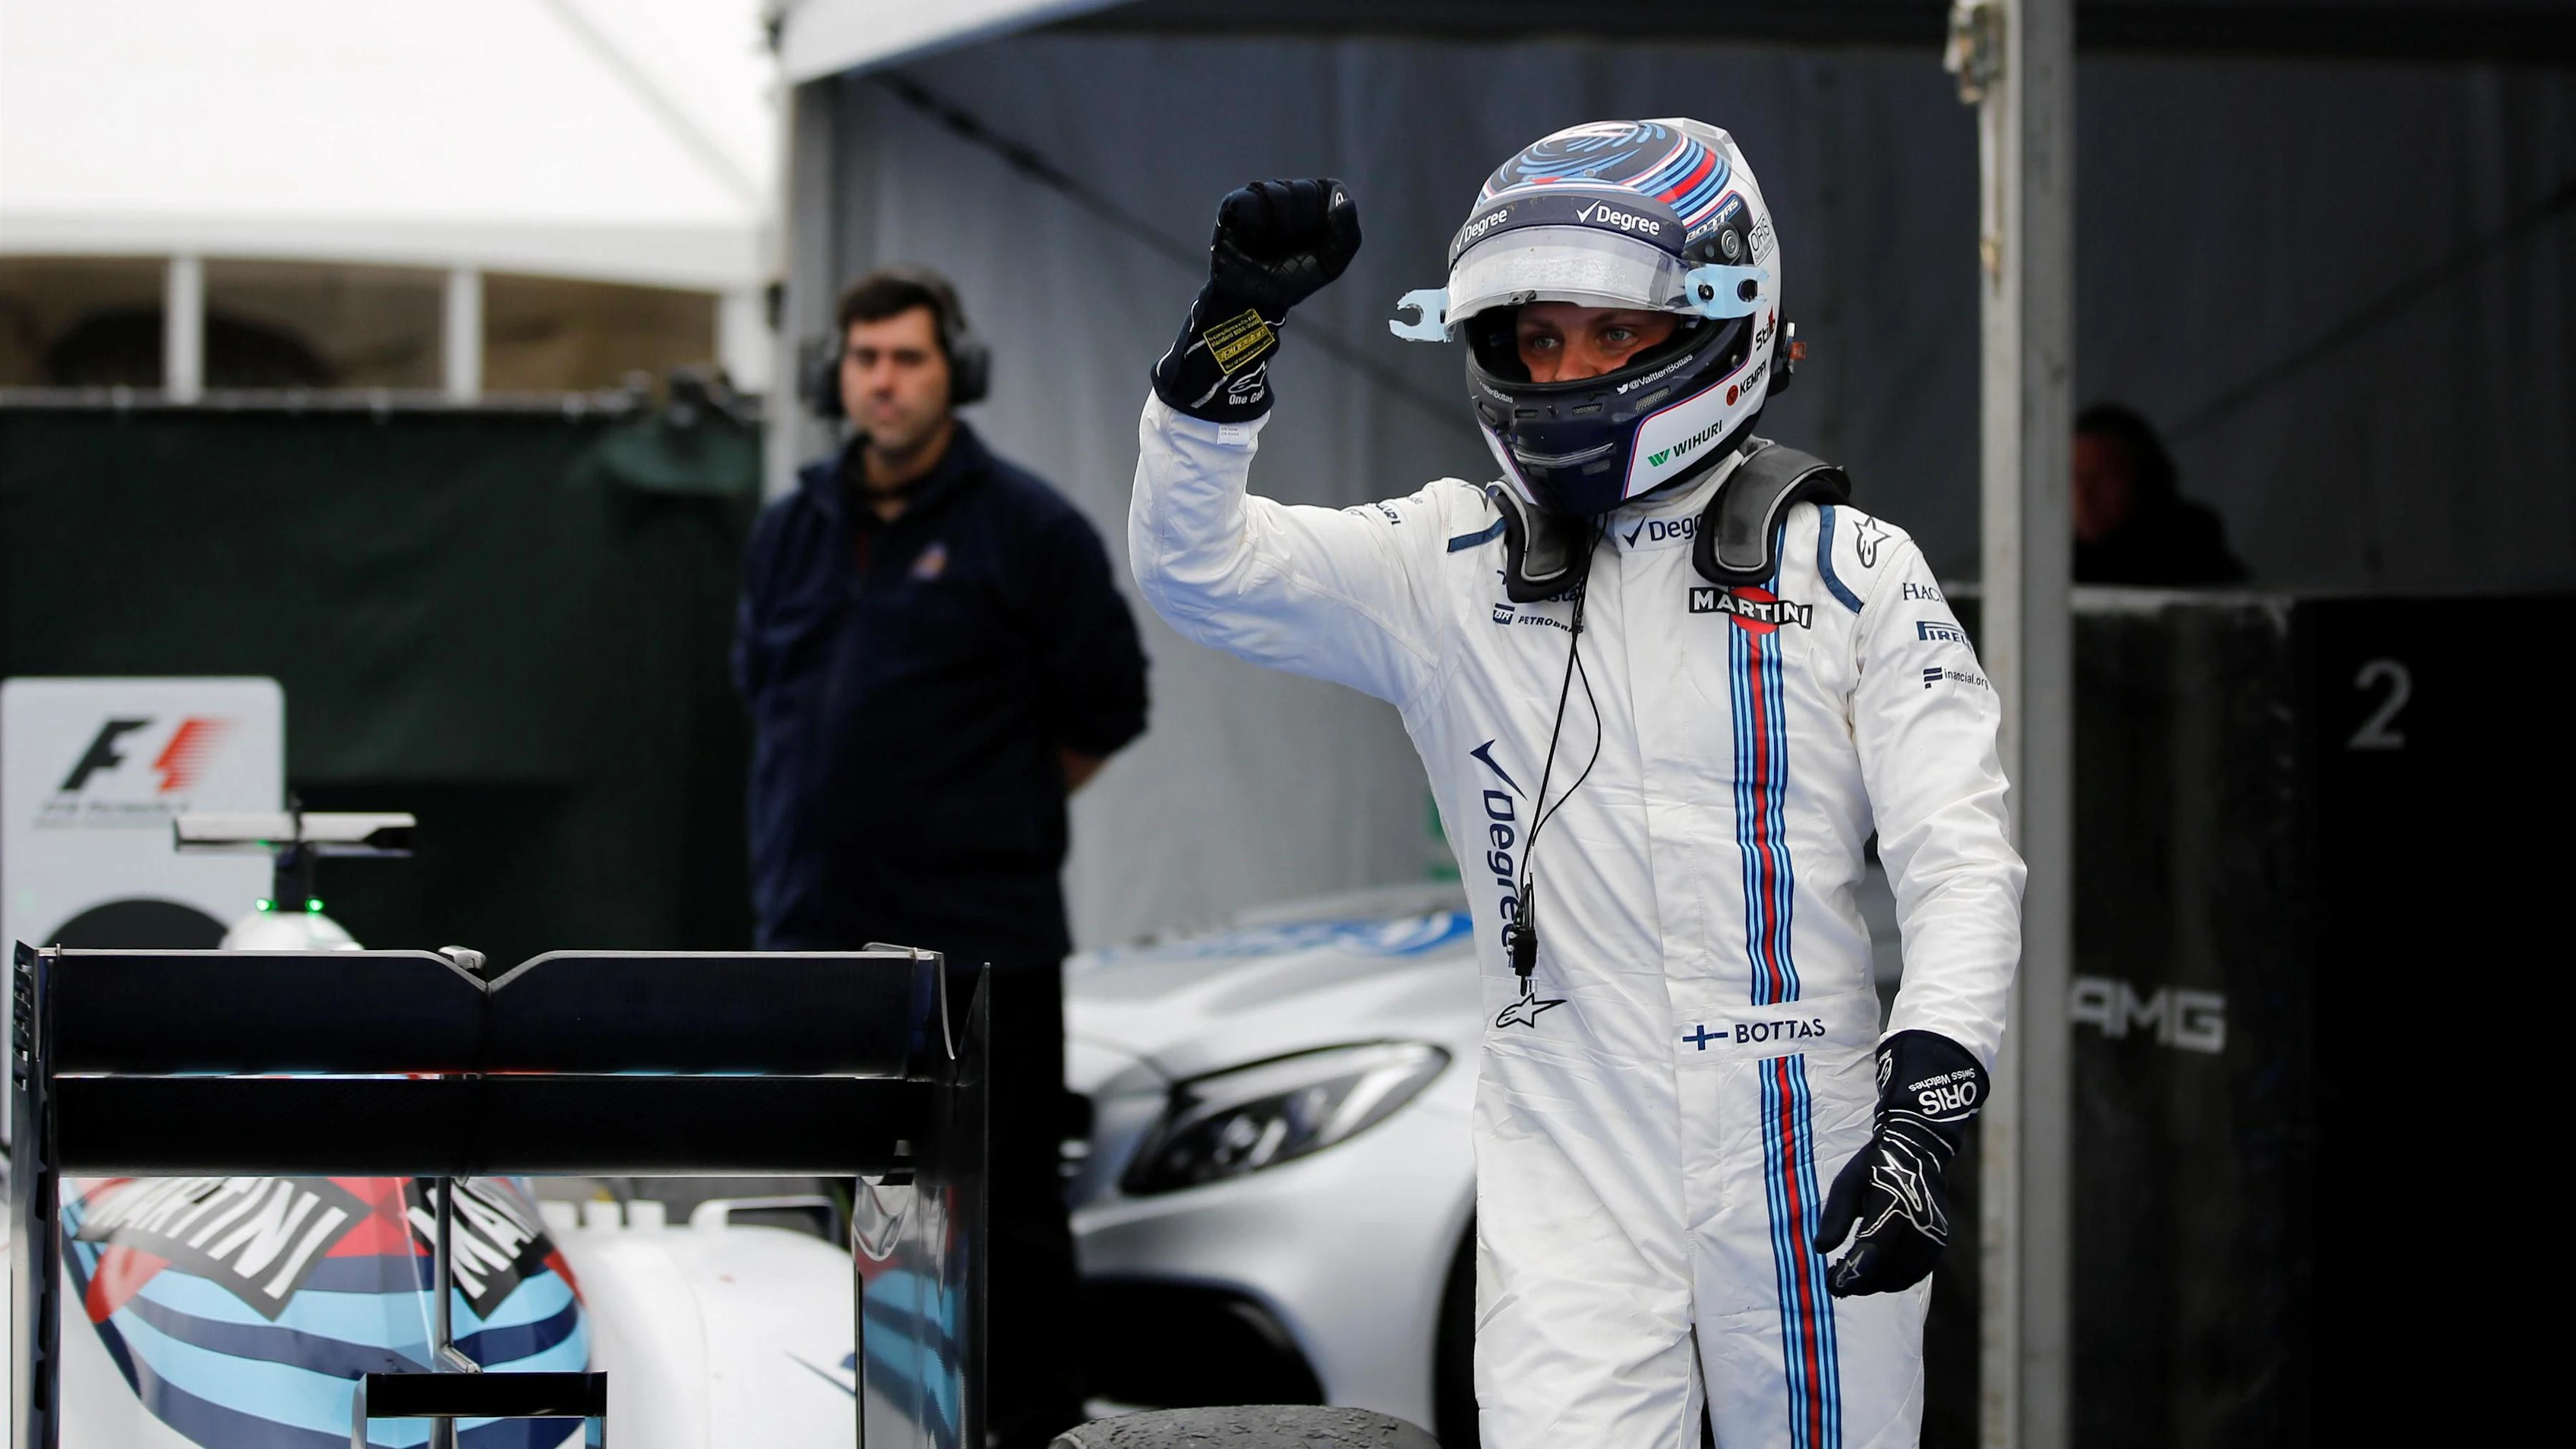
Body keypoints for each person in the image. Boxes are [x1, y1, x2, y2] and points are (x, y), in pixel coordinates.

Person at [1129, 122, 2023, 1447]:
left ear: (1720, 323)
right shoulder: (1447, 561)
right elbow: (1193, 567)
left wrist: (1924, 1116)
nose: (1566, 371)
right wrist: (1230, 330)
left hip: (1807, 1133)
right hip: (1567, 1137)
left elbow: (1963, 861)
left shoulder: (1853, 569)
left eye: (1612, 334)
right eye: (1540, 339)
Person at [734, 265, 1149, 1447]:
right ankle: (849, 1419)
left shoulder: (1029, 529)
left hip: (982, 953)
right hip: (818, 950)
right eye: (866, 359)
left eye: (908, 358)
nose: (885, 381)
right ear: (836, 374)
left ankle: (1030, 1432)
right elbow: (764, 700)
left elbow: (1108, 707)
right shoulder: (791, 530)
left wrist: (987, 812)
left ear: (954, 372)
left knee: (1001, 1215)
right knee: (835, 1209)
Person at [2072, 402, 2248, 585]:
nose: (2084, 494)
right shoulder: (2059, 565)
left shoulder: (2195, 560)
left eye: (2104, 477)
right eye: (2074, 478)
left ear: (2146, 479)